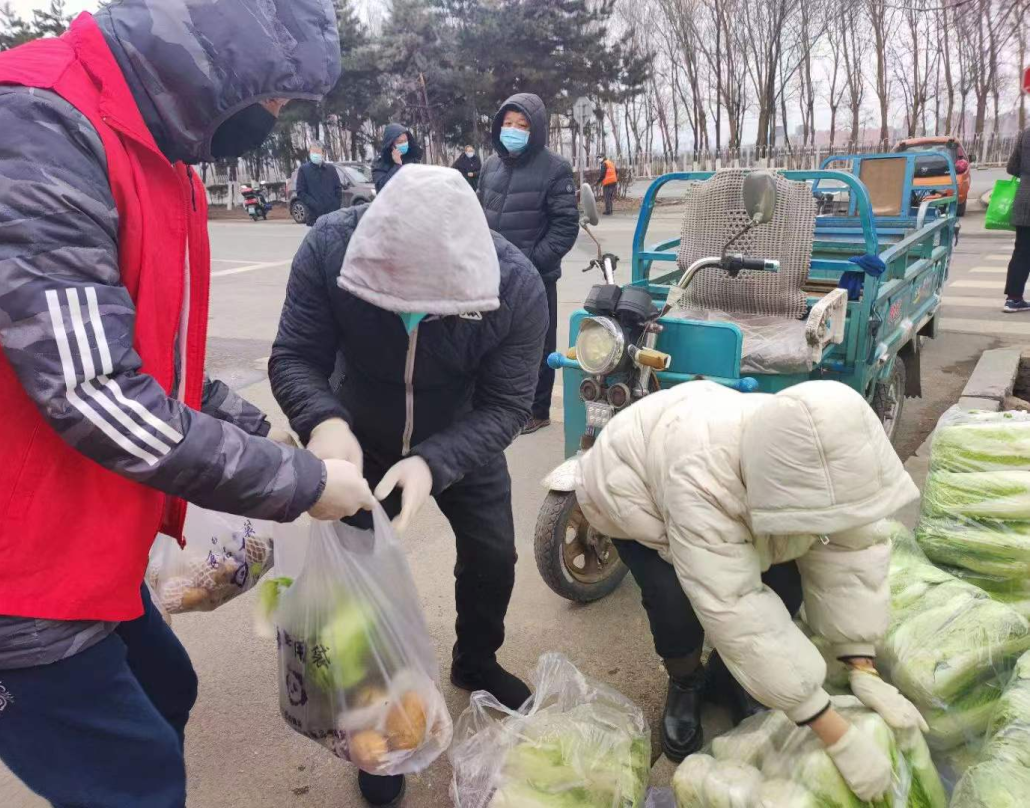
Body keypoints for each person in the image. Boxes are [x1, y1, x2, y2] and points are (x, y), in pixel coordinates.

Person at [0, 4, 375, 807]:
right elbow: (95, 389)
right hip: (0, 564)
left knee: (166, 690)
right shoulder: (36, 121)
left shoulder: (160, 151)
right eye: (275, 92)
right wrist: (301, 484)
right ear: (219, 53)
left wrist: (272, 435)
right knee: (133, 781)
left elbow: (155, 359)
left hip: (84, 532)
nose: (276, 113)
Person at [270, 165, 548, 807]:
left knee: (493, 555)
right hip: (357, 431)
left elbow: (508, 404)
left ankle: (476, 659)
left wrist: (432, 463)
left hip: (462, 430)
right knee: (363, 575)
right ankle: (378, 719)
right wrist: (324, 423)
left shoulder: (515, 285)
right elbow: (295, 356)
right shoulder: (329, 248)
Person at [575, 380, 925, 803]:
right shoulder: (702, 482)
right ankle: (685, 682)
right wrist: (834, 731)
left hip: (701, 456)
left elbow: (850, 550)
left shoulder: (825, 453)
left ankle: (729, 677)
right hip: (632, 492)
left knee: (786, 582)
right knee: (674, 599)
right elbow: (733, 603)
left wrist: (862, 666)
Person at [478, 93, 579, 435]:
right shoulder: (490, 167)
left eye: (522, 125)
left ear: (535, 129)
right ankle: (495, 404)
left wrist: (530, 264)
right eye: (508, 123)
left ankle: (537, 410)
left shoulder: (555, 169)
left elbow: (565, 227)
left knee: (537, 345)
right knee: (491, 340)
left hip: (535, 277)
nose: (513, 130)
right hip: (493, 273)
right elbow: (480, 215)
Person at [1004, 129, 1030, 312]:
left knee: (1022, 251)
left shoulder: (1026, 134)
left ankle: (1013, 299)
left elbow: (1011, 167)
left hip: (1025, 201)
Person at [295, 140, 342, 226]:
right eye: (313, 152)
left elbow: (338, 189)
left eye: (317, 152)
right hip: (313, 217)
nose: (315, 154)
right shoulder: (304, 170)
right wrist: (314, 205)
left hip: (331, 216)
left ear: (323, 153)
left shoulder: (331, 169)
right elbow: (301, 192)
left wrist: (335, 205)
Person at [371, 123, 422, 192]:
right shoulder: (380, 162)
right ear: (391, 145)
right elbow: (382, 188)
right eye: (400, 142)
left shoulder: (412, 158)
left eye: (405, 141)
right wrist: (397, 165)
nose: (404, 144)